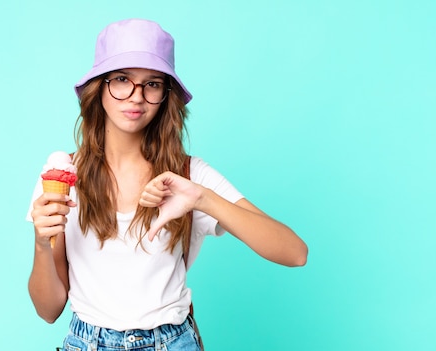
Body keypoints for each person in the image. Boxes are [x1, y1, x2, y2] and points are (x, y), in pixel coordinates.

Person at [27, 18, 308, 351]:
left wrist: (204, 199)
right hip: (87, 342)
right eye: (121, 79)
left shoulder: (189, 175)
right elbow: (49, 310)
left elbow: (295, 253)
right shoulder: (63, 176)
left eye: (152, 84)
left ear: (165, 95)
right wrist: (42, 244)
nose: (136, 96)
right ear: (98, 88)